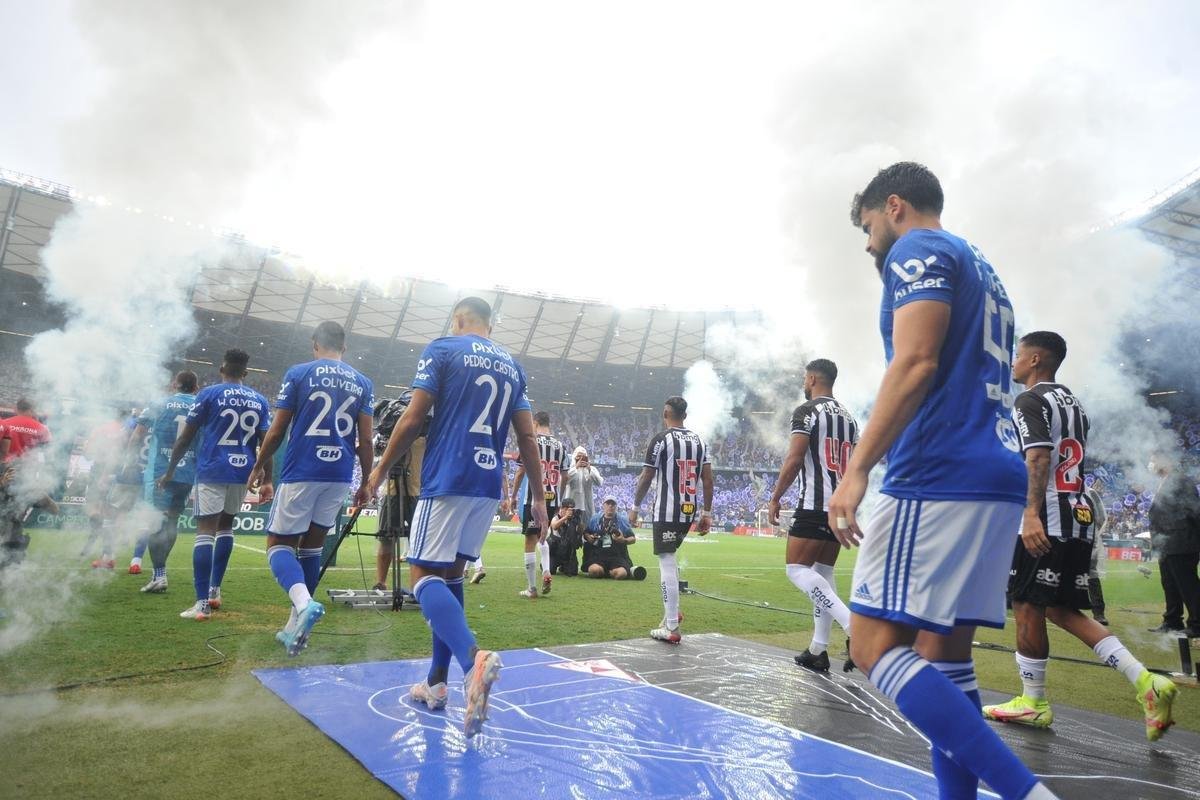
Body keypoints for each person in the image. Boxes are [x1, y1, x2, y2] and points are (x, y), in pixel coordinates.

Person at [828, 162, 1056, 800]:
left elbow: (917, 359)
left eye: (870, 227)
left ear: (894, 206)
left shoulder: (919, 248)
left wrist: (857, 468)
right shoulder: (981, 264)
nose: (870, 244)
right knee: (947, 657)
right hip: (994, 469)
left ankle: (1029, 794)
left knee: (872, 644)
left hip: (939, 468)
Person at [982, 331, 1177, 741]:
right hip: (1079, 514)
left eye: (1018, 355)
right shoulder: (1074, 404)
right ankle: (1146, 681)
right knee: (1060, 610)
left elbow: (1038, 455)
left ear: (1035, 359)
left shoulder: (1029, 400)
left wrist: (1030, 514)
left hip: (1048, 515)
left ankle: (1033, 702)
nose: (1013, 362)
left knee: (1027, 604)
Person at [366, 296, 544, 739]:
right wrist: (538, 495)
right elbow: (526, 435)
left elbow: (412, 418)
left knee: (422, 576)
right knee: (452, 577)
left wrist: (380, 468)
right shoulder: (512, 366)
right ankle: (436, 683)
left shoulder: (443, 348)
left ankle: (472, 660)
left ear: (459, 318)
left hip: (447, 475)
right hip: (487, 482)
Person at [249, 321, 374, 656]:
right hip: (339, 473)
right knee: (312, 548)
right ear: (343, 347)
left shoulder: (300, 373)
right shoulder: (362, 382)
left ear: (315, 344)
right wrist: (367, 480)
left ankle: (304, 605)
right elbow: (365, 439)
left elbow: (276, 431)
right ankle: (295, 630)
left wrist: (259, 464)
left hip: (302, 469)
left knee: (278, 545)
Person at [161, 349, 270, 621]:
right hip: (242, 471)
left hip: (212, 468)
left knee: (205, 532)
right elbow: (266, 442)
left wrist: (170, 470)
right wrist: (267, 477)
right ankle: (214, 591)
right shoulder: (259, 400)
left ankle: (201, 605)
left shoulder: (208, 394)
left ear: (222, 369)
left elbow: (186, 437)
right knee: (226, 527)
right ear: (245, 373)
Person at [767, 358, 859, 673]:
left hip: (816, 503)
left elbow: (794, 458)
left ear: (811, 379)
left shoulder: (807, 412)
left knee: (796, 569)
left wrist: (776, 496)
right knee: (824, 571)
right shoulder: (849, 417)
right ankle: (818, 649)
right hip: (841, 505)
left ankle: (854, 629)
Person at [630, 396, 712, 644]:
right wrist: (706, 513)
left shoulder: (661, 439)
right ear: (684, 415)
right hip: (688, 510)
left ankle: (672, 626)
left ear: (666, 413)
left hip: (667, 511)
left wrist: (635, 506)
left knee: (666, 561)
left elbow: (646, 476)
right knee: (671, 558)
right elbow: (707, 480)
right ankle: (671, 614)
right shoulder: (700, 441)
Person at [135, 372, 199, 594]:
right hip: (188, 472)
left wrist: (127, 461)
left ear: (175, 384)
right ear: (196, 387)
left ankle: (159, 575)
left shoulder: (159, 403)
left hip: (161, 472)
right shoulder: (200, 404)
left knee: (155, 522)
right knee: (172, 521)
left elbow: (138, 434)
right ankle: (160, 572)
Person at [509, 411, 566, 598]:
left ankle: (532, 588)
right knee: (543, 535)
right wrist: (559, 497)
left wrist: (514, 495)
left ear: (535, 422)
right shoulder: (561, 446)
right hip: (552, 499)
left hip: (534, 498)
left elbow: (520, 472)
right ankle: (546, 570)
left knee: (530, 539)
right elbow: (565, 476)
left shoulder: (532, 441)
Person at [1146, 456, 1200, 637]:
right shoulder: (1164, 482)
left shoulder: (1182, 480)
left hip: (1181, 542)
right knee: (1169, 584)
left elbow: (1195, 511)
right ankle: (1172, 621)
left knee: (1188, 585)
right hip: (1166, 544)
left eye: (1154, 459)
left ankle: (1197, 624)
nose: (1151, 463)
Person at [80, 410, 128, 568]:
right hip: (122, 474)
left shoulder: (100, 429)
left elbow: (87, 454)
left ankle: (98, 544)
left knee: (93, 509)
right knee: (111, 513)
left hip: (100, 471)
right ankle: (107, 553)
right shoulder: (127, 430)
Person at [582, 496, 635, 579]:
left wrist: (623, 540)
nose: (610, 506)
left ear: (616, 506)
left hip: (617, 555)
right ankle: (606, 572)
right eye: (608, 503)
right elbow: (586, 533)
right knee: (594, 571)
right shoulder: (595, 519)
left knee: (621, 574)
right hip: (598, 555)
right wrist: (589, 537)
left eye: (613, 504)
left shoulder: (622, 520)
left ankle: (606, 572)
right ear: (603, 505)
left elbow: (633, 538)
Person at [1084, 479, 1109, 625]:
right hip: (1068, 539)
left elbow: (1101, 518)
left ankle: (1098, 612)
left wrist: (1093, 536)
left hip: (1087, 540)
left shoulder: (1090, 493)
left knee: (1092, 575)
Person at [563, 446, 603, 522]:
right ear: (574, 457)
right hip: (571, 505)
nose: (581, 459)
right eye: (579, 456)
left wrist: (589, 469)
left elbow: (599, 482)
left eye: (583, 457)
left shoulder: (592, 469)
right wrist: (576, 467)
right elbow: (565, 481)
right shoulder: (569, 469)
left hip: (586, 505)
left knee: (586, 528)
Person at [547, 498, 583, 576]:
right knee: (550, 570)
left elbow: (580, 532)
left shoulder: (574, 520)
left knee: (573, 572)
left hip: (568, 552)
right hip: (555, 551)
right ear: (562, 508)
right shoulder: (556, 517)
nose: (569, 511)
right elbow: (554, 526)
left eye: (571, 509)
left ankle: (564, 566)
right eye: (567, 509)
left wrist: (579, 521)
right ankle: (545, 563)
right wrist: (565, 517)